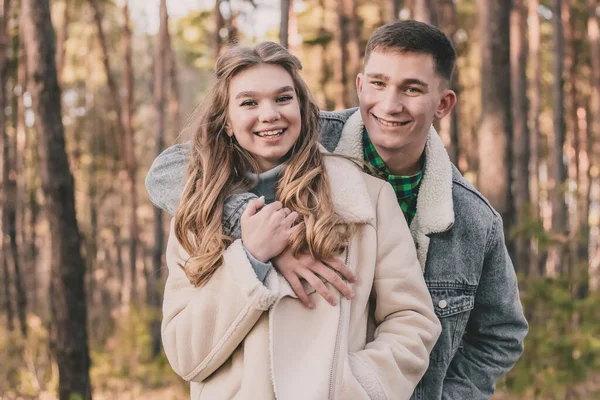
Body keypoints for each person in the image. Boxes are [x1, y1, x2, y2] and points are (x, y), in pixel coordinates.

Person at [148, 21, 528, 399]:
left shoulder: (458, 215)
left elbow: (472, 331)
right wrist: (254, 241)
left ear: (443, 103)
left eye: (411, 89)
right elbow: (167, 171)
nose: (390, 105)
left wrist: (351, 386)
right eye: (378, 84)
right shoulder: (207, 202)